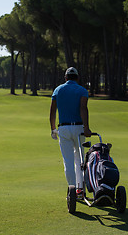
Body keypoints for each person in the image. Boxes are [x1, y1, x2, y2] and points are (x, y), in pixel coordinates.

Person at [49, 67, 92, 198]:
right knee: (79, 160)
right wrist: (86, 128)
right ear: (77, 78)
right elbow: (83, 109)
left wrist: (52, 129)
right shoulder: (82, 90)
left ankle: (72, 189)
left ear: (66, 77)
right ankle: (80, 189)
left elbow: (52, 111)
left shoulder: (58, 90)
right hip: (79, 129)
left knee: (68, 161)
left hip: (63, 128)